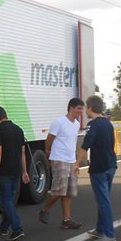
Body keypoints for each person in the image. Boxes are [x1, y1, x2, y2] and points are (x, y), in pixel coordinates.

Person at [39, 98, 85, 229]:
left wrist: (76, 162)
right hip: (59, 158)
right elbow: (49, 140)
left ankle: (66, 219)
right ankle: (46, 209)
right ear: (71, 108)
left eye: (82, 109)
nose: (81, 112)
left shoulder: (76, 124)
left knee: (69, 192)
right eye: (79, 109)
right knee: (59, 190)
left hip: (71, 160)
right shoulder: (59, 122)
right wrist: (48, 152)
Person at [78, 95, 118, 241]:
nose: (85, 111)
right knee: (104, 198)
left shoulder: (93, 125)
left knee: (103, 201)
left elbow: (85, 145)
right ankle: (100, 229)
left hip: (99, 167)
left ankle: (108, 234)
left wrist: (76, 164)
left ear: (90, 108)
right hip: (111, 165)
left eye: (86, 107)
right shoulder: (108, 124)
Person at [0, 106, 30, 241]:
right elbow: (23, 153)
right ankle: (4, 227)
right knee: (10, 200)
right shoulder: (19, 130)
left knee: (6, 200)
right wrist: (24, 171)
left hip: (4, 171)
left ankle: (17, 228)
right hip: (16, 170)